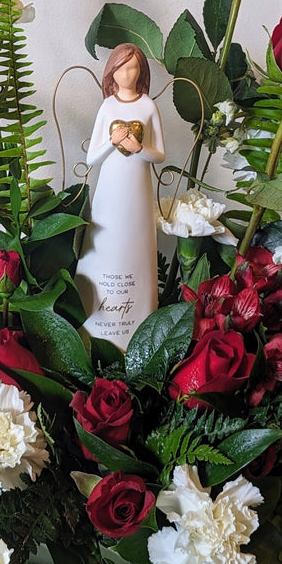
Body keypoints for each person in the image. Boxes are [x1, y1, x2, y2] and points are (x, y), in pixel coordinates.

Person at [75, 43, 165, 349]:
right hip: (110, 189)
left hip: (137, 189)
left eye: (133, 67)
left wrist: (140, 149)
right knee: (106, 240)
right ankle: (96, 327)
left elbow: (159, 154)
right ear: (111, 72)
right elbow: (91, 158)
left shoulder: (148, 107)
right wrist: (111, 142)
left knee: (136, 241)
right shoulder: (108, 108)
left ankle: (138, 326)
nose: (127, 74)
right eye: (121, 68)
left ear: (141, 71)